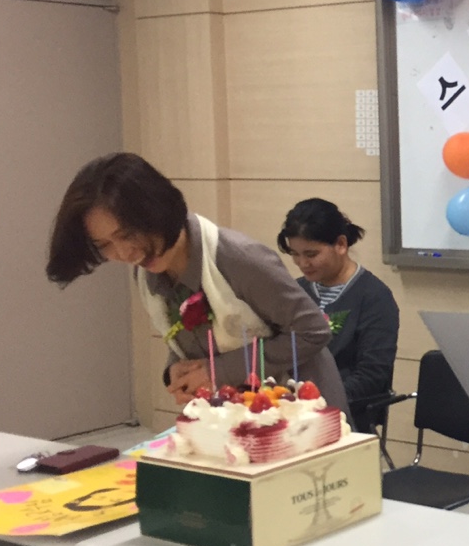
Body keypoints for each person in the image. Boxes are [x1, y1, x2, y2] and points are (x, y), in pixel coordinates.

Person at [46, 152, 347, 413]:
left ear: (159, 209)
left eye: (127, 234)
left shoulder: (239, 259)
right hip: (230, 418)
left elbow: (312, 331)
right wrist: (175, 372)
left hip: (304, 413)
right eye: (104, 245)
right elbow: (186, 336)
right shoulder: (146, 269)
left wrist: (219, 371)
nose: (125, 253)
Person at [278, 199, 399, 434]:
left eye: (311, 254)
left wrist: (317, 401)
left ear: (341, 244)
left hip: (346, 418)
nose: (302, 263)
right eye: (295, 254)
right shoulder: (294, 291)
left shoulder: (374, 296)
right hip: (291, 412)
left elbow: (372, 375)